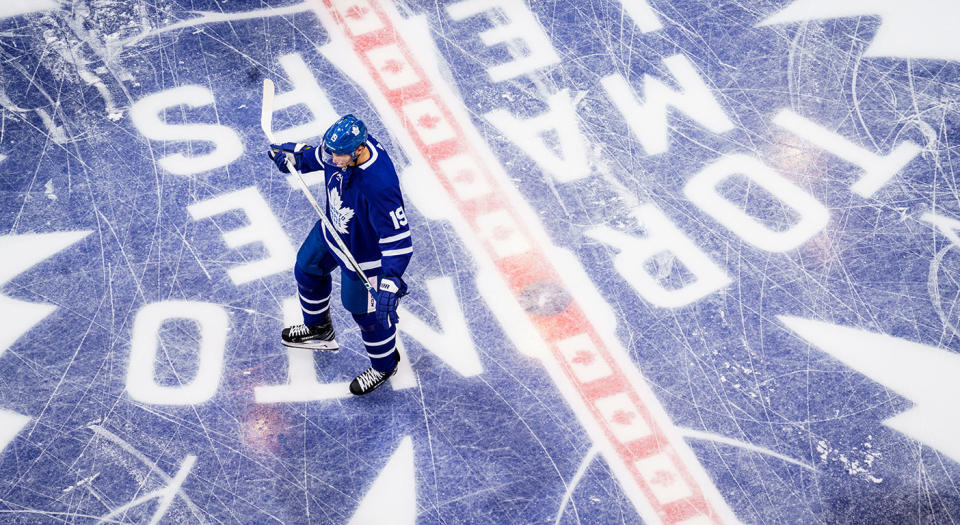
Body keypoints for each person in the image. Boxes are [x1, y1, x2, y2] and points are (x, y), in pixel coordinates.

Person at [267, 114, 412, 396]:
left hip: (364, 256)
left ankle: (384, 365)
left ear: (359, 149)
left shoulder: (380, 185)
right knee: (307, 267)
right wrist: (294, 160)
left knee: (367, 316)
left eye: (340, 156)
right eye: (332, 153)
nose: (334, 160)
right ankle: (318, 329)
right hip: (334, 228)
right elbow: (318, 158)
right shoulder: (338, 150)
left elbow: (399, 239)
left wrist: (390, 279)